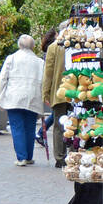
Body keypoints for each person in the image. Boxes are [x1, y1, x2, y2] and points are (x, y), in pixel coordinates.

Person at [0, 34, 44, 166]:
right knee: (30, 127)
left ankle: (21, 157)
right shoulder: (39, 62)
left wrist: (1, 95)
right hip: (33, 96)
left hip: (14, 96)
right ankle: (29, 156)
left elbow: (2, 79)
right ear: (33, 46)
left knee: (17, 127)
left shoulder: (11, 58)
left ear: (19, 45)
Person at [41, 27, 68, 168]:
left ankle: (60, 157)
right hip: (77, 91)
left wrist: (45, 93)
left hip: (59, 92)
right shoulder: (78, 43)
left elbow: (48, 73)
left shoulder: (53, 47)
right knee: (76, 124)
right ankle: (75, 153)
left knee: (59, 126)